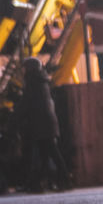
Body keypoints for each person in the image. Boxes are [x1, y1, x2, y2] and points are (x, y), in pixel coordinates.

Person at [17, 57, 70, 192]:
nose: (23, 71)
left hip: (42, 125)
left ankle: (62, 180)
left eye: (24, 68)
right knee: (46, 155)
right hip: (47, 124)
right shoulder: (42, 81)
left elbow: (26, 104)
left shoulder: (33, 82)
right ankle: (39, 183)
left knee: (51, 154)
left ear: (30, 69)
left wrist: (15, 120)